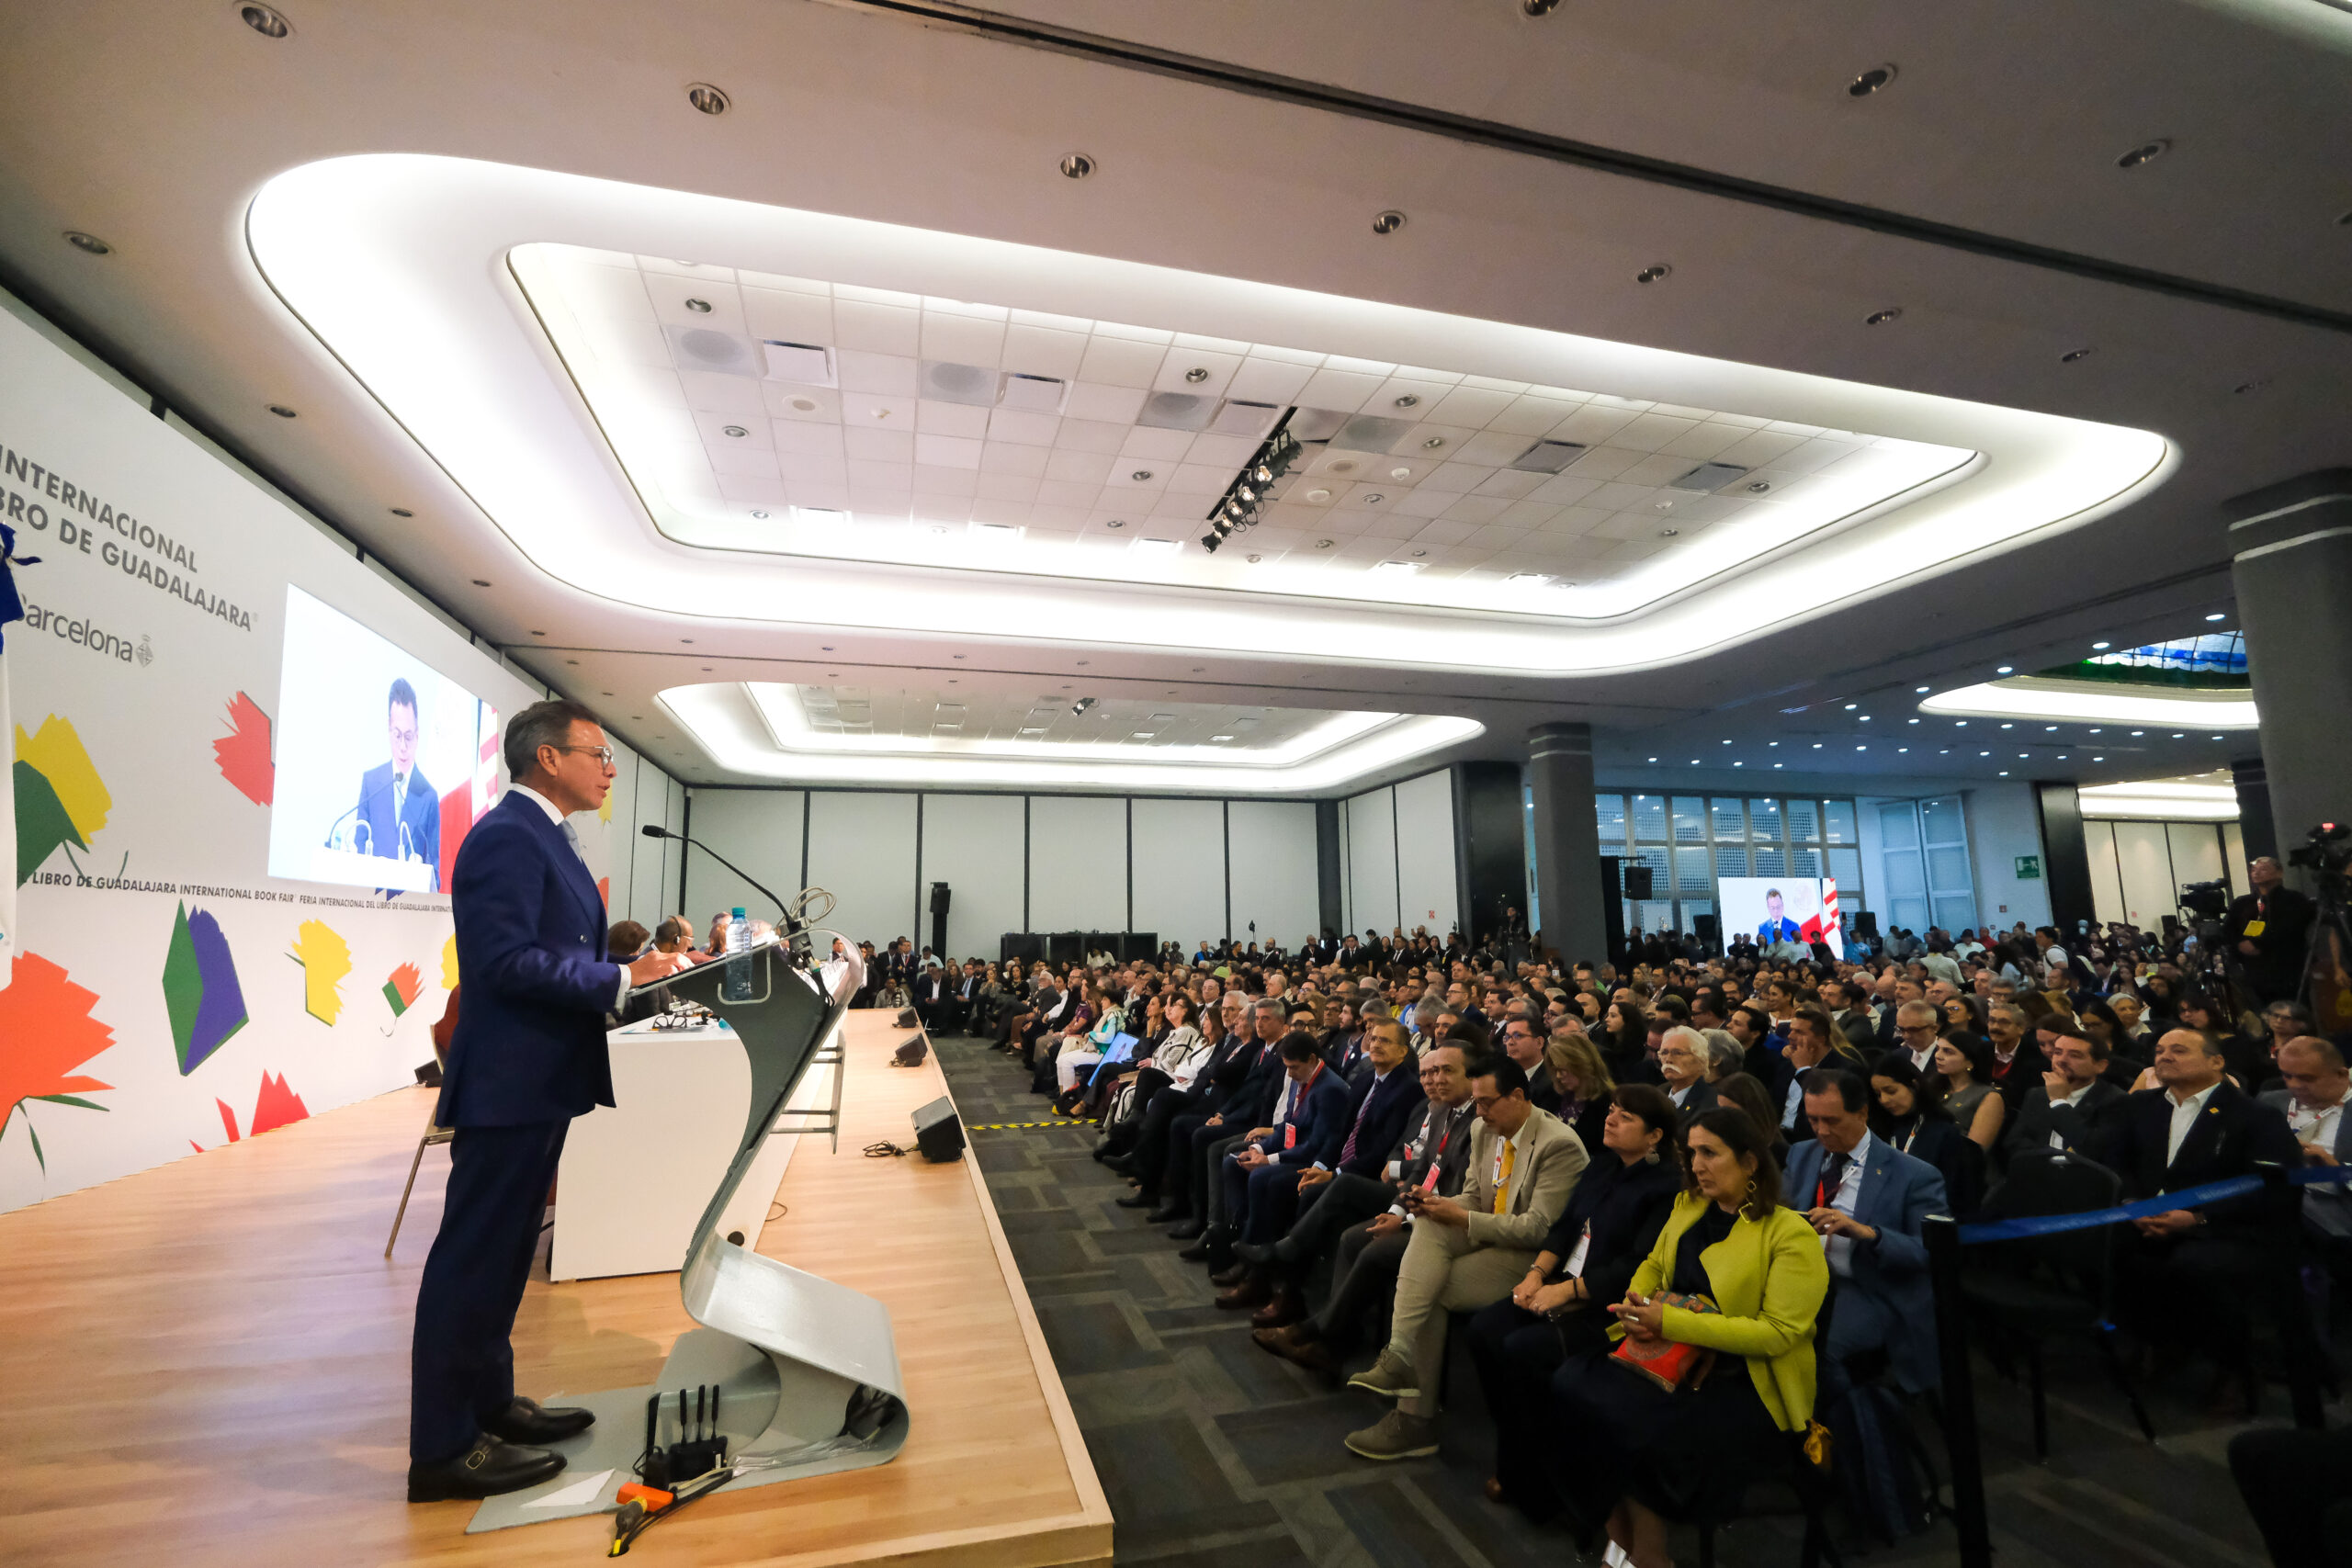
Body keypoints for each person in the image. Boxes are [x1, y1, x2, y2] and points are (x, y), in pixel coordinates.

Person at [408, 700, 688, 1502]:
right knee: (472, 1260)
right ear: (548, 758)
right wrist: (619, 976)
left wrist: (632, 973)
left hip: (538, 1079)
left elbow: (553, 947)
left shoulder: (546, 836)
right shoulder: (507, 836)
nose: (610, 769)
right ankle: (442, 1448)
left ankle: (489, 1404)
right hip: (508, 1081)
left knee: (502, 1260)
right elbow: (503, 963)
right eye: (598, 754)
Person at [1544, 1108, 1831, 1564]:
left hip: (1745, 1376)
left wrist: (1670, 1322)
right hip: (1670, 1350)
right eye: (1691, 1153)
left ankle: (1648, 1554)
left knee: (1638, 1427)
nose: (1697, 1165)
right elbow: (1654, 1265)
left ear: (1750, 1162)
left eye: (1710, 1153)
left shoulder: (1789, 1234)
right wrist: (1638, 1302)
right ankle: (1618, 1531)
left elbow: (1776, 1335)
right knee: (1571, 1386)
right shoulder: (1689, 1207)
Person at [1340, 1059, 1589, 1460]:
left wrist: (1462, 1217)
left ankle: (1414, 1419)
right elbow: (1475, 1196)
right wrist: (1439, 1205)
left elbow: (1539, 1229)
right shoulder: (1483, 1129)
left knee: (1431, 1289)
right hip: (1490, 1232)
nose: (1479, 1112)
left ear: (1518, 1097)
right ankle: (1399, 1353)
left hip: (1530, 1258)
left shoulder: (1558, 1145)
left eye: (1487, 1102)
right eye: (1476, 1103)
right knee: (1429, 1222)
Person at [1466, 1084, 1684, 1520]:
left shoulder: (1666, 1188)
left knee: (1523, 1351)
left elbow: (1635, 1264)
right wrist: (1536, 1275)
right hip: (1563, 1282)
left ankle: (1547, 1486)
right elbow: (1567, 1226)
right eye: (1612, 1110)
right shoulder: (1602, 1165)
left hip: (1609, 1305)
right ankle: (1518, 1450)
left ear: (1655, 1136)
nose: (1610, 1119)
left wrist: (1568, 1291)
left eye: (1625, 1117)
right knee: (1484, 1330)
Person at [2095, 1028, 2303, 1416]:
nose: (2164, 1056)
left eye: (2179, 1050)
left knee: (2196, 1265)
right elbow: (2117, 1162)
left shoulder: (2254, 1116)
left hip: (2229, 1226)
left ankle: (2235, 1366)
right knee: (2112, 1247)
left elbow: (2271, 1187)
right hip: (2148, 1215)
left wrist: (2198, 1217)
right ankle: (2160, 1340)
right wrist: (2133, 1203)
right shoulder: (2140, 1105)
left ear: (2216, 1062)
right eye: (2159, 1050)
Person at [1250, 1043, 1478, 1361]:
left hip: (1446, 1217)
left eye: (1446, 1071)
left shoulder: (1478, 1119)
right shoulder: (1440, 1109)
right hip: (1413, 1198)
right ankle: (1326, 1338)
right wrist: (1397, 1210)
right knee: (1349, 1234)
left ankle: (1318, 1329)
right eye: (1430, 1072)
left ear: (1473, 1075)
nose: (1435, 1079)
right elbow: (1418, 1163)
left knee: (1365, 1235)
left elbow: (1462, 1191)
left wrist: (1403, 1218)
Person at [2260, 1035, 2352, 1253]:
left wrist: (2335, 1168)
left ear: (2342, 1074)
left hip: (2338, 1203)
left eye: (2307, 1078)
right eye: (2287, 1075)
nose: (2294, 1085)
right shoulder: (2270, 1101)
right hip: (2275, 1193)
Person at [354, 676, 442, 889]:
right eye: (397, 735)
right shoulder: (371, 784)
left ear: (417, 735)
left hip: (410, 904)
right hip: (369, 901)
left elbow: (434, 873)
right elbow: (358, 851)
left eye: (408, 736)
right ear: (388, 728)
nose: (403, 746)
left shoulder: (428, 796)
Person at [1999, 1031, 2124, 1168]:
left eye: (2075, 1055)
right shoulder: (2037, 1094)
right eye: (2057, 1052)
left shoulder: (2116, 1100)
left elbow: (2093, 1150)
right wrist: (2047, 1162)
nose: (2062, 1060)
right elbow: (2014, 1142)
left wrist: (2058, 1101)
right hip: (2037, 1172)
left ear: (2100, 1066)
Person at [2223, 856, 2318, 1006]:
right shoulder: (2242, 903)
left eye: (2263, 869)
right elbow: (2228, 929)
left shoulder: (2294, 899)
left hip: (2288, 968)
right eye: (2254, 870)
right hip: (2254, 971)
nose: (2256, 873)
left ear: (2279, 873)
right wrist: (2239, 943)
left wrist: (2258, 943)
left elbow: (2290, 928)